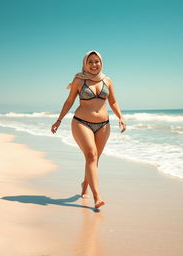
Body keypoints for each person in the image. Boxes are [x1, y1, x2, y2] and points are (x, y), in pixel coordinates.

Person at [51, 50, 126, 209]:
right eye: (90, 62)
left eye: (96, 61)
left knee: (94, 159)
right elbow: (69, 100)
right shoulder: (79, 79)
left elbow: (113, 101)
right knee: (91, 155)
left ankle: (85, 185)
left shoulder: (108, 80)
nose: (94, 65)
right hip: (81, 122)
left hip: (103, 125)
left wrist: (121, 117)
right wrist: (59, 120)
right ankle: (97, 197)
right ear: (85, 63)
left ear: (101, 62)